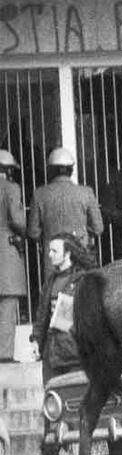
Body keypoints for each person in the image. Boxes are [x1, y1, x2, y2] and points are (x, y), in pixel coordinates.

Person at [31, 232, 95, 455]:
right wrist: (37, 341)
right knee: (52, 400)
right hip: (52, 351)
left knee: (77, 402)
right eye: (49, 250)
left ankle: (83, 454)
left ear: (68, 253)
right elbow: (42, 316)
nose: (49, 255)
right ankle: (50, 448)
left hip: (74, 352)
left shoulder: (82, 279)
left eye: (54, 251)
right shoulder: (50, 281)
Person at [27, 147, 104, 279]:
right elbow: (98, 228)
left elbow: (33, 232)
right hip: (80, 254)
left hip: (52, 258)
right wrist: (83, 232)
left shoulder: (40, 194)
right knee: (80, 293)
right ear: (71, 170)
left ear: (50, 170)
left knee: (54, 294)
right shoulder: (86, 192)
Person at [0, 149, 26, 363]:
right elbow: (17, 220)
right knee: (7, 304)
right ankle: (5, 353)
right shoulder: (11, 188)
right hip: (5, 252)